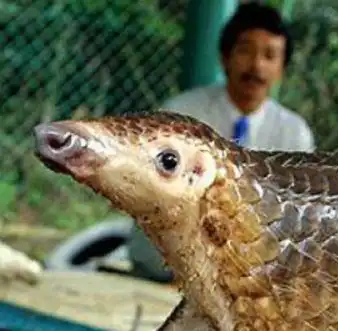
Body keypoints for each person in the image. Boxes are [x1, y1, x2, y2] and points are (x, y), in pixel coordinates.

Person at [128, 1, 315, 282]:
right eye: (246, 51)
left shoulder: (295, 135)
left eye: (269, 55)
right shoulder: (181, 114)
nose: (257, 65)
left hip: (249, 277)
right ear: (224, 58)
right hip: (167, 267)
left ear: (281, 69)